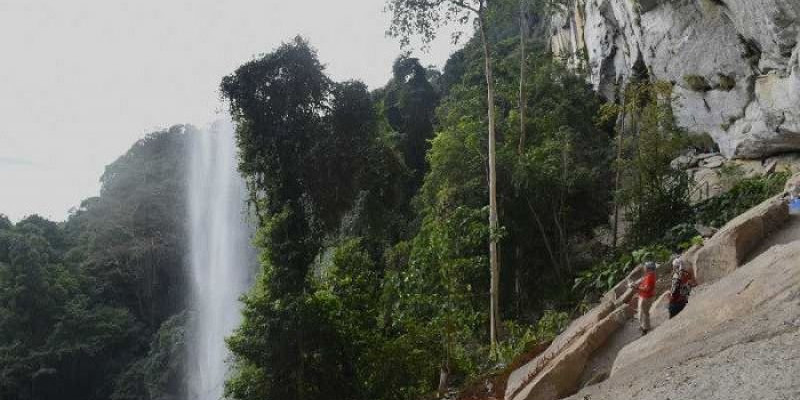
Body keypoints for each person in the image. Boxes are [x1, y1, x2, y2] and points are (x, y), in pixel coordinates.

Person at [628, 261, 657, 335]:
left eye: (646, 266)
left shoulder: (650, 277)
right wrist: (636, 286)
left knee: (644, 313)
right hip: (644, 296)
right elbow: (644, 285)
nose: (644, 268)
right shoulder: (649, 275)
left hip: (646, 297)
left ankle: (645, 329)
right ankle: (643, 326)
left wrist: (636, 287)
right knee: (641, 312)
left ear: (649, 268)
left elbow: (647, 289)